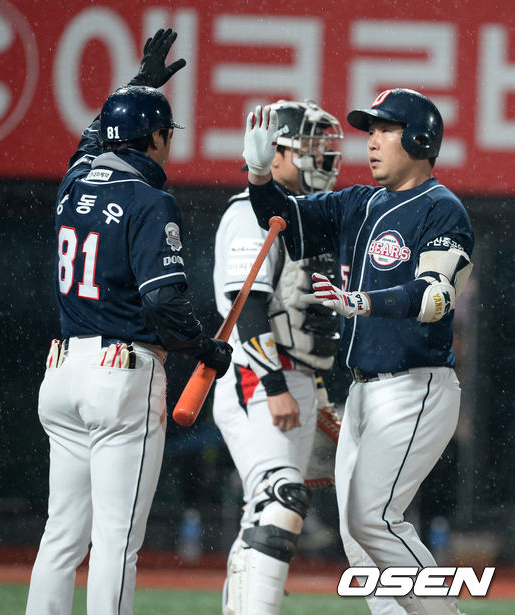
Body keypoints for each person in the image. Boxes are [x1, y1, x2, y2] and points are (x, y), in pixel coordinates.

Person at [242, 88, 474, 615]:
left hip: (417, 384)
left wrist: (362, 301)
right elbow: (280, 217)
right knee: (357, 532)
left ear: (420, 140)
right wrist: (258, 177)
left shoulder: (442, 209)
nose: (371, 141)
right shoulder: (358, 202)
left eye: (385, 129)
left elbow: (435, 297)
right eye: (370, 130)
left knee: (374, 520)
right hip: (364, 390)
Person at [25, 29, 231, 615]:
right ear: (158, 137)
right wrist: (203, 348)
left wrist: (137, 85)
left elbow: (93, 140)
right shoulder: (148, 200)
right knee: (116, 542)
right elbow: (163, 301)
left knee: (61, 536)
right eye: (168, 133)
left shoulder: (72, 185)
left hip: (62, 371)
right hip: (120, 375)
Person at [212, 99, 344, 615]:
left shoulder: (308, 215)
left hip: (299, 377)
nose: (322, 157)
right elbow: (246, 305)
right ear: (278, 152)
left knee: (264, 511)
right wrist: (274, 385)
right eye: (310, 146)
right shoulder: (249, 210)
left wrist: (316, 389)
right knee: (280, 499)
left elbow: (308, 317)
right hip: (261, 373)